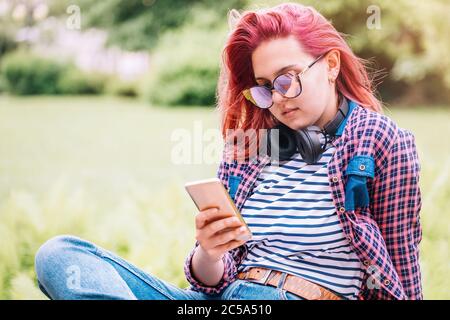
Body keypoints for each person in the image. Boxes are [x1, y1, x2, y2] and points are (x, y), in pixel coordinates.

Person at [34, 2, 422, 300]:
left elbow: (403, 267)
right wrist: (209, 252)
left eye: (288, 79)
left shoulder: (382, 141)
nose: (278, 99)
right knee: (60, 255)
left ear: (331, 64)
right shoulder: (249, 147)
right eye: (265, 87)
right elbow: (209, 281)